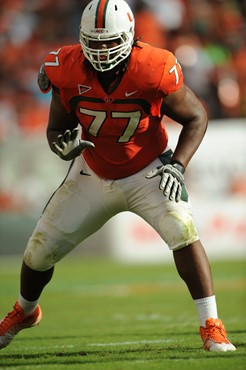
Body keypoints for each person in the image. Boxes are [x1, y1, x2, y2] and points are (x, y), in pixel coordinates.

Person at [0, 0, 236, 352]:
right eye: (93, 43)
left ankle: (211, 324)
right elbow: (56, 130)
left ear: (129, 37)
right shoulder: (65, 68)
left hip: (148, 169)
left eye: (110, 42)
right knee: (38, 251)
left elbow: (197, 116)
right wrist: (60, 145)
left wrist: (178, 164)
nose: (102, 50)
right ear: (81, 40)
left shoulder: (152, 67)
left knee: (183, 233)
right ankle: (26, 311)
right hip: (91, 171)